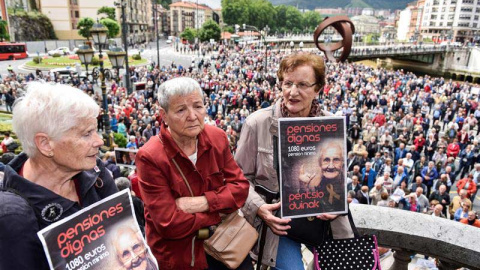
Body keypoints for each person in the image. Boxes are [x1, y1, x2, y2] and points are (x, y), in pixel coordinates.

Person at [235, 53, 354, 270]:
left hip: (323, 222)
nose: (292, 92)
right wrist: (260, 208)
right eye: (287, 83)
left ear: (318, 89)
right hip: (279, 226)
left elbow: (338, 174)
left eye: (302, 85)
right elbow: (238, 179)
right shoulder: (257, 123)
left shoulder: (331, 125)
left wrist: (339, 201)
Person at [0, 82, 118, 270]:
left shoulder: (95, 172)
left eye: (95, 130)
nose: (99, 141)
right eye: (87, 134)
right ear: (45, 144)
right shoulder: (11, 217)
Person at [135, 77, 250, 269]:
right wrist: (219, 210)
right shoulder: (150, 156)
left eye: (198, 106)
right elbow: (168, 223)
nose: (193, 115)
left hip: (228, 244)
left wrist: (202, 203)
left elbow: (241, 189)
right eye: (181, 110)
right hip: (182, 257)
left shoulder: (217, 137)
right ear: (163, 115)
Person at [298, 140, 346, 211]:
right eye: (326, 160)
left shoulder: (347, 184)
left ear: (342, 163)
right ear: (320, 163)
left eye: (336, 160)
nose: (331, 166)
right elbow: (306, 210)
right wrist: (303, 188)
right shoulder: (314, 186)